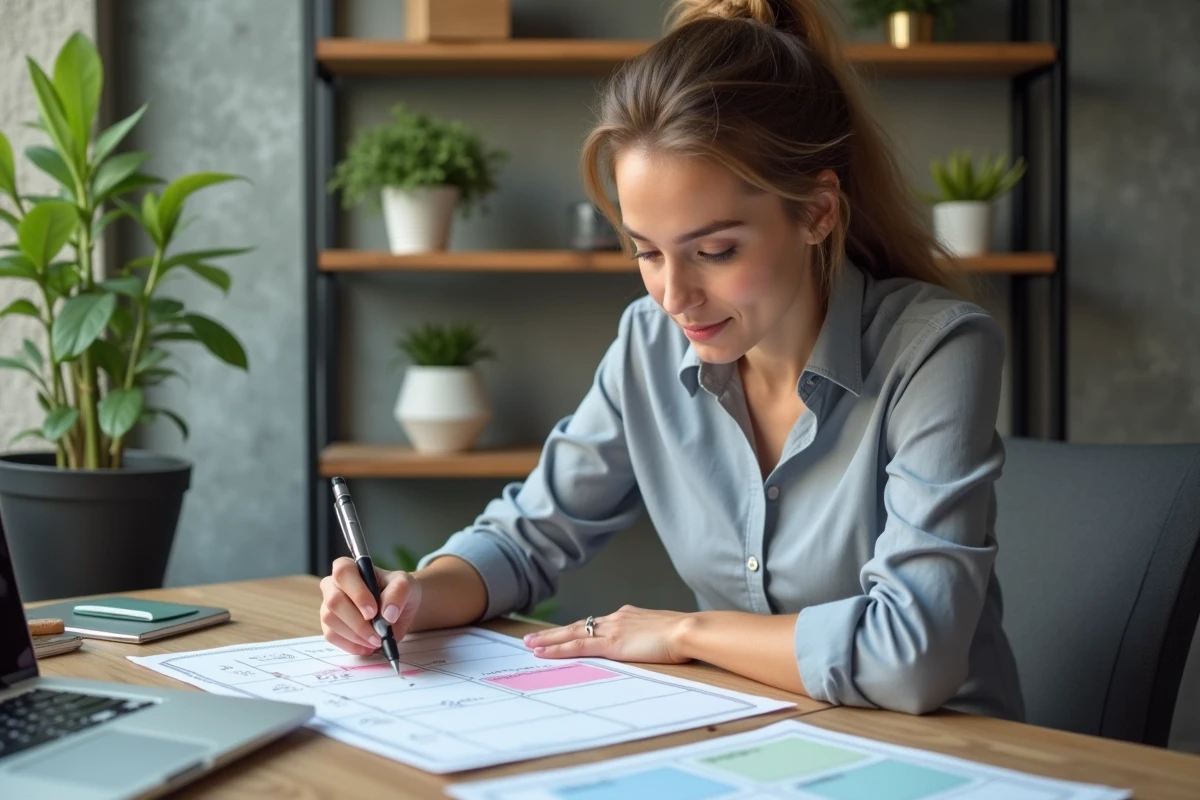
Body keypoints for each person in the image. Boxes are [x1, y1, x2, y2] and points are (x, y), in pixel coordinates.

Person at [319, 0, 1026, 722]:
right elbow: (529, 537)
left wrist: (683, 633)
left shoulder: (938, 350)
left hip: (946, 754)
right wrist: (409, 598)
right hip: (757, 740)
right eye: (647, 253)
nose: (675, 297)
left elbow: (912, 656)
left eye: (715, 252)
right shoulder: (649, 345)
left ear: (818, 211)